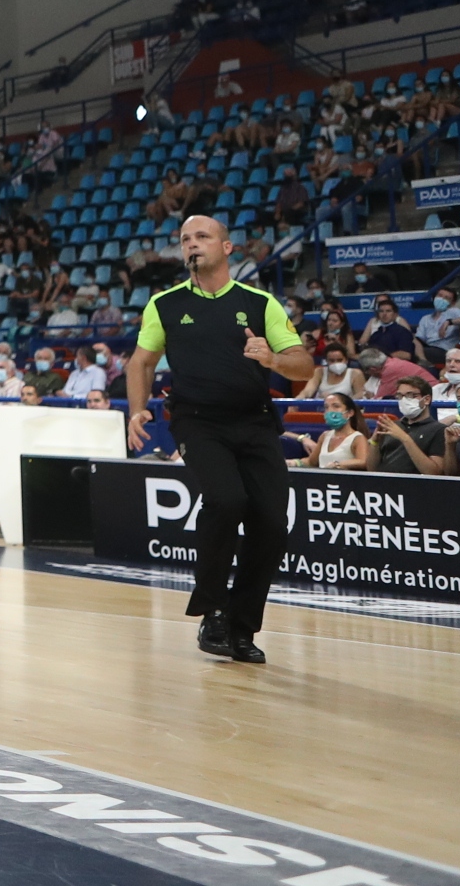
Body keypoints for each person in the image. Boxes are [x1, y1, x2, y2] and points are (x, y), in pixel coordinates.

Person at [125, 215, 311, 666]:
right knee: (226, 500)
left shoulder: (259, 302)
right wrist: (137, 409)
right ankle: (212, 610)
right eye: (185, 239)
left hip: (254, 422)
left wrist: (272, 358)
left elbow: (303, 366)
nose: (192, 245)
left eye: (202, 237)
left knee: (270, 521)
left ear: (227, 248)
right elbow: (141, 363)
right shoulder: (164, 304)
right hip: (197, 421)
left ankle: (241, 626)